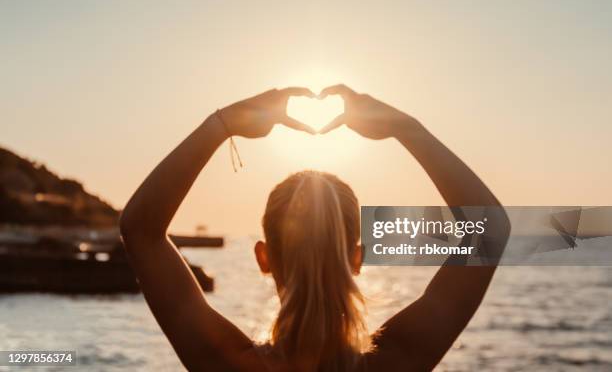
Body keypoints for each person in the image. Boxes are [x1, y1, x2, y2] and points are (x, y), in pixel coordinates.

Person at [119, 84, 511, 371]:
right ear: (357, 258)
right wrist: (407, 129)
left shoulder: (226, 363)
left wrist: (222, 124)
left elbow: (140, 230)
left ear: (264, 257)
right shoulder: (398, 361)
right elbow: (490, 229)